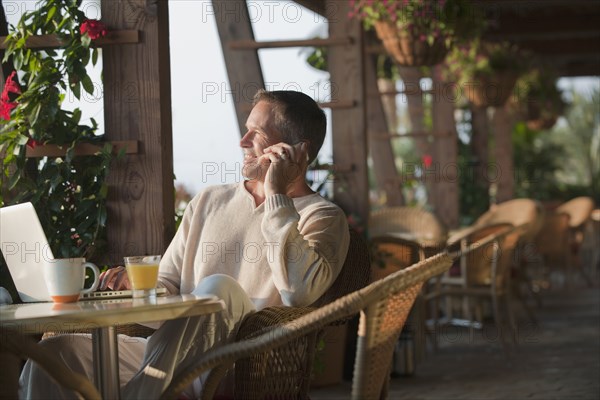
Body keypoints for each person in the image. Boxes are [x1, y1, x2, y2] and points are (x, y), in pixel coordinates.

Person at [20, 90, 350, 399]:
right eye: (245, 130)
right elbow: (168, 285)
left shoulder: (322, 217)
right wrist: (137, 287)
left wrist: (277, 196)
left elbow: (299, 293)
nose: (242, 141)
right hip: (167, 357)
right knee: (55, 355)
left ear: (297, 151)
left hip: (242, 365)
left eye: (257, 135)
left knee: (219, 289)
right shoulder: (210, 200)